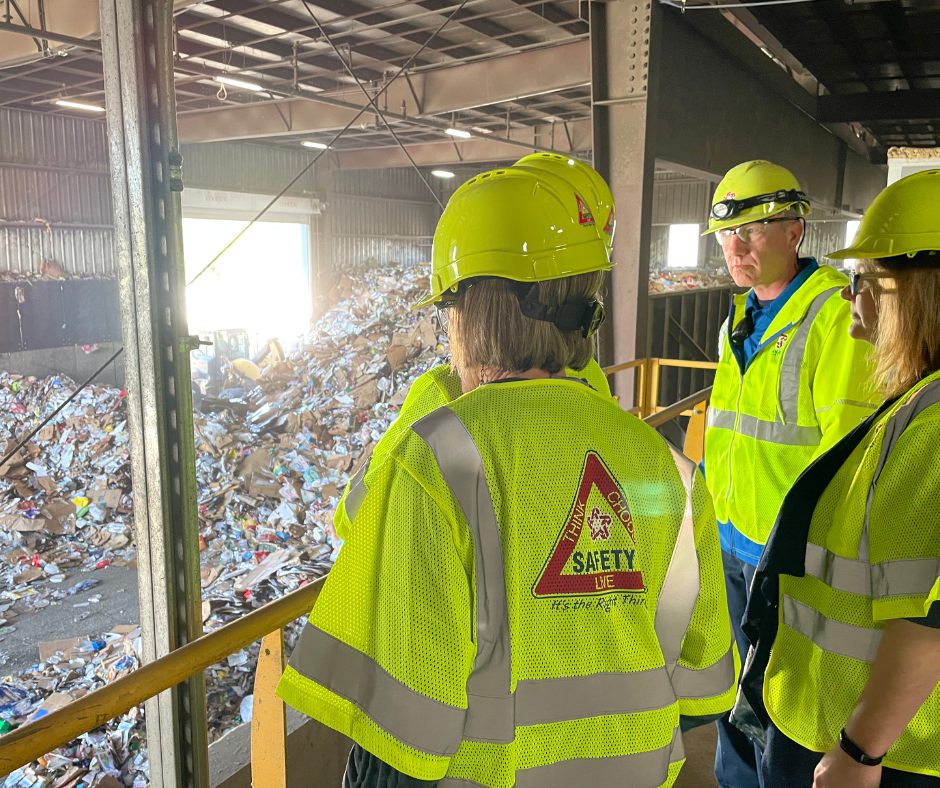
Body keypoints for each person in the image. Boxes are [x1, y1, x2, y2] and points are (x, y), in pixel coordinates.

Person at [277, 166, 738, 788]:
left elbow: (404, 718)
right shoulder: (667, 467)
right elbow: (701, 679)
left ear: (469, 312)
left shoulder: (438, 457)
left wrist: (432, 411)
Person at [737, 169, 940, 788]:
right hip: (830, 722)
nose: (855, 299)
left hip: (875, 750)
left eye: (868, 280)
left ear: (921, 290)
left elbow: (928, 614)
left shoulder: (935, 421)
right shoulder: (915, 404)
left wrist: (861, 751)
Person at [701, 160, 879, 788]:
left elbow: (846, 456)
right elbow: (724, 439)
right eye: (727, 235)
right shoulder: (737, 322)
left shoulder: (833, 315)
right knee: (735, 699)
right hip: (730, 547)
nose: (736, 247)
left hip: (792, 559)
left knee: (787, 713)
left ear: (796, 230)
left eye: (752, 229)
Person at [333, 155, 617, 541]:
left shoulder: (442, 401)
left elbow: (355, 518)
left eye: (448, 307)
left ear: (469, 312)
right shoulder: (596, 390)